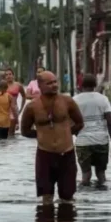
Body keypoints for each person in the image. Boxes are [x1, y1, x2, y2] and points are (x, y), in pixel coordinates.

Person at [20, 71, 84, 205]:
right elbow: (25, 131)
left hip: (66, 153)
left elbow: (80, 123)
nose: (54, 85)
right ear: (40, 85)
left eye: (55, 82)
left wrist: (66, 132)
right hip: (45, 154)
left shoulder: (67, 101)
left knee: (67, 198)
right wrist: (43, 135)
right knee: (46, 198)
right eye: (49, 83)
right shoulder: (32, 106)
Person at [74, 74, 111, 186]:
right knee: (101, 175)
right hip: (101, 141)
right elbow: (110, 123)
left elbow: (69, 122)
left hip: (83, 142)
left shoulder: (75, 100)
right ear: (95, 85)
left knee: (86, 175)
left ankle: (85, 197)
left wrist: (76, 134)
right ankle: (101, 198)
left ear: (81, 85)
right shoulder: (103, 99)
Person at [4, 68, 27, 135]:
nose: (8, 76)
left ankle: (12, 144)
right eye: (7, 75)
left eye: (10, 74)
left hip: (14, 109)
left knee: (11, 132)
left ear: (13, 75)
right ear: (5, 77)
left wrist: (21, 109)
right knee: (4, 131)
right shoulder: (3, 85)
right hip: (4, 109)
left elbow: (24, 96)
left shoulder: (18, 85)